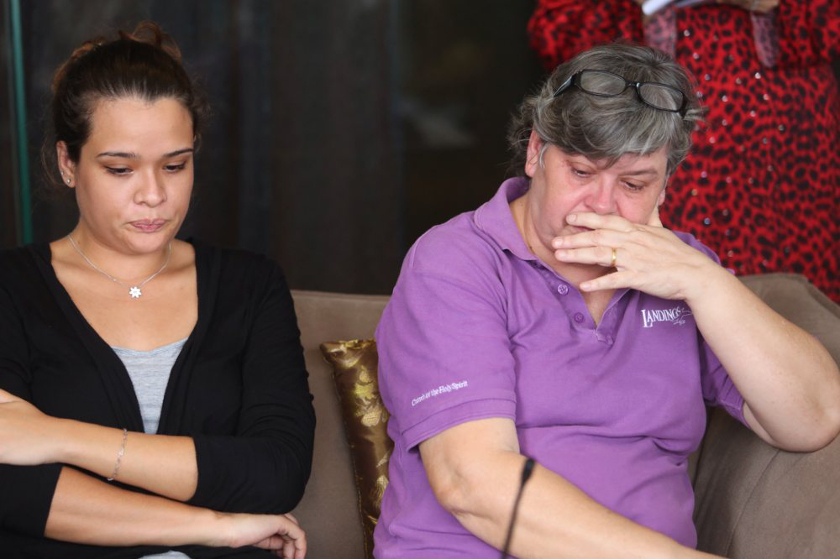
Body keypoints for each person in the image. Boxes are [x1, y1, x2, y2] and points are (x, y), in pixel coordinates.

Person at [373, 43, 840, 558]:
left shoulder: (680, 269)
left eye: (634, 184)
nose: (602, 204)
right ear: (536, 153)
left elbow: (815, 417)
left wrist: (705, 281)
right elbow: (473, 485)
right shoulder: (455, 262)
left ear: (665, 187)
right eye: (580, 172)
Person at [0, 22, 314, 559]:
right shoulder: (10, 289)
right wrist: (213, 525)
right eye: (120, 169)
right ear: (66, 163)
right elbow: (12, 490)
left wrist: (59, 437)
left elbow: (275, 473)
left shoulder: (251, 286)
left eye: (175, 165)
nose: (154, 195)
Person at [529, 0, 840, 302]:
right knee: (655, 290)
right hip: (645, 141)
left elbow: (829, 25)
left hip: (789, 147)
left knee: (800, 303)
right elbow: (562, 42)